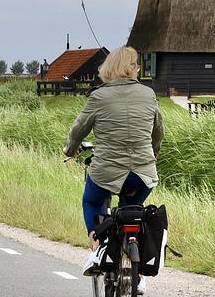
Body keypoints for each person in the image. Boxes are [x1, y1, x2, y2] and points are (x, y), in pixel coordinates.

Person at [63, 46, 163, 276]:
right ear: (129, 69)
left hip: (107, 170)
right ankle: (137, 271)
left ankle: (97, 250)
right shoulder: (148, 95)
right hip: (142, 173)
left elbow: (79, 129)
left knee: (92, 201)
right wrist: (154, 152)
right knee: (132, 211)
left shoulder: (99, 96)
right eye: (136, 64)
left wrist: (71, 149)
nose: (138, 68)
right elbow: (158, 130)